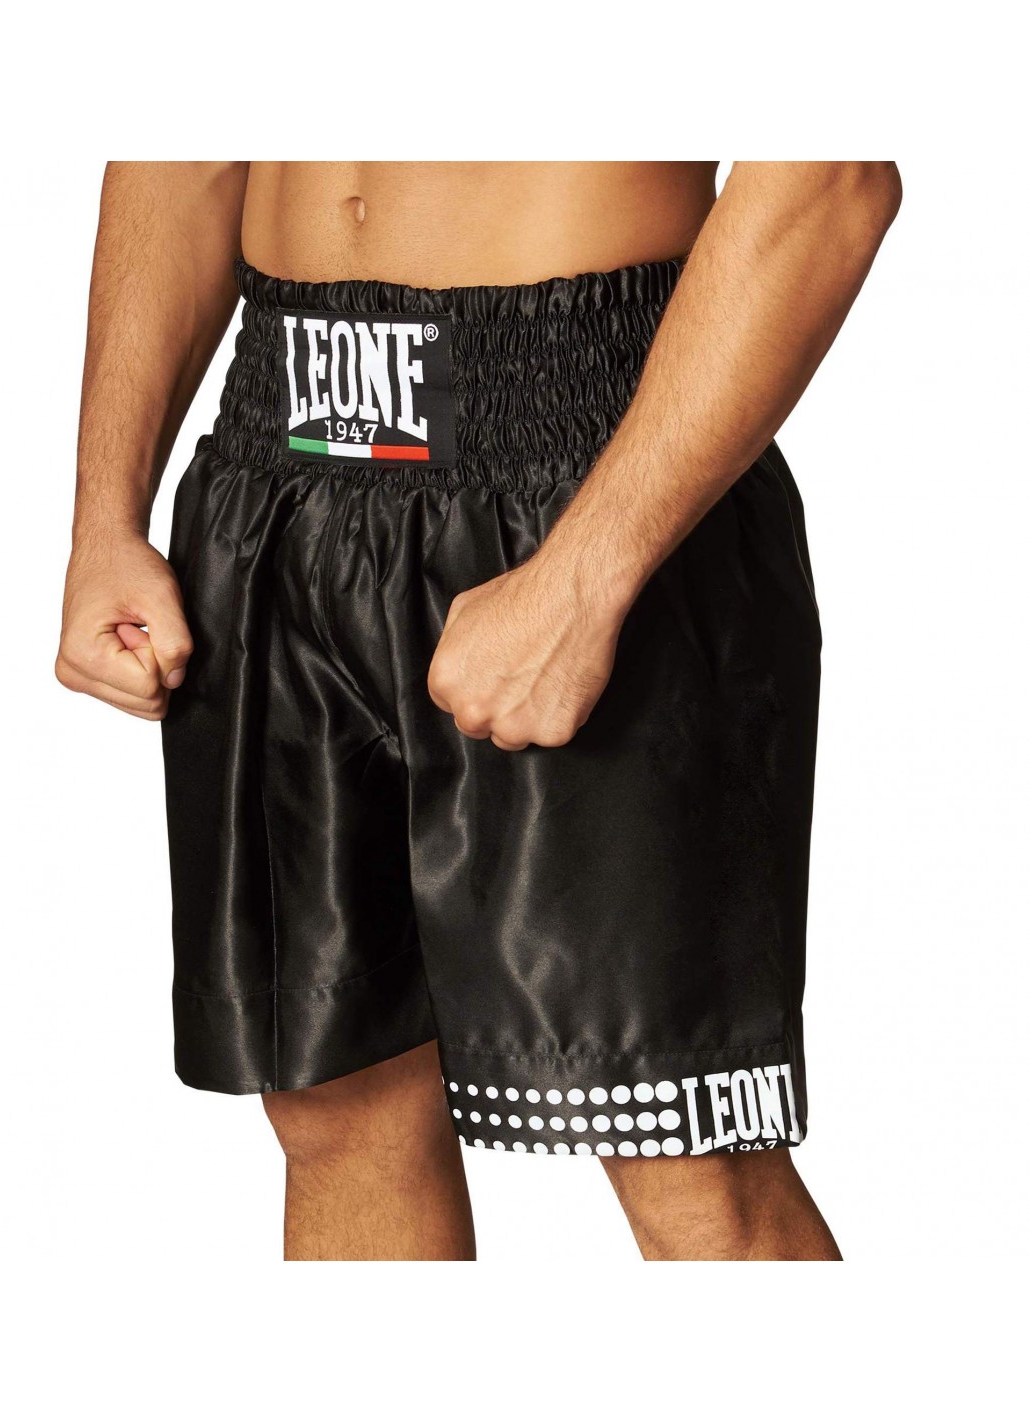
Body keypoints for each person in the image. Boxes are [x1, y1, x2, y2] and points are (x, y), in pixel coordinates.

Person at [57, 161, 900, 1260]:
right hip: (279, 463)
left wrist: (585, 576)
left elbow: (832, 174)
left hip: (587, 464)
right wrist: (104, 516)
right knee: (336, 1111)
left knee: (685, 1150)